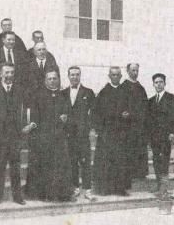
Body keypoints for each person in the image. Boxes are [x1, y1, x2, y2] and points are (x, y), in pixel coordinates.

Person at [23, 70, 72, 202]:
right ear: (45, 81)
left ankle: (61, 194)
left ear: (58, 79)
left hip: (59, 137)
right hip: (43, 137)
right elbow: (35, 117)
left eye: (54, 78)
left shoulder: (63, 96)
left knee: (60, 166)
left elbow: (69, 113)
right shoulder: (38, 96)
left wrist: (65, 118)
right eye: (49, 79)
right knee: (44, 165)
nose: (52, 81)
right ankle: (44, 194)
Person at [91, 66, 133, 196]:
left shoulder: (126, 92)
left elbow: (131, 109)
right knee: (105, 161)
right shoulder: (104, 92)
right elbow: (95, 113)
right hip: (107, 134)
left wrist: (128, 115)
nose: (115, 77)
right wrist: (99, 129)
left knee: (120, 161)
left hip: (121, 133)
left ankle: (120, 188)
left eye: (117, 75)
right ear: (109, 76)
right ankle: (104, 188)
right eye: (113, 75)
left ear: (121, 77)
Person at [0, 64, 26, 205]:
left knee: (16, 166)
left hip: (15, 133)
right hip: (0, 133)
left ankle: (18, 196)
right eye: (6, 72)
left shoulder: (19, 90)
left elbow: (22, 112)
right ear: (0, 74)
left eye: (11, 72)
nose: (9, 75)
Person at [62, 66, 96, 201]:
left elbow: (94, 112)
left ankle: (88, 189)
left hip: (82, 134)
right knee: (72, 161)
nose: (74, 77)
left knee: (85, 161)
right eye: (72, 75)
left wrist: (89, 127)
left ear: (80, 76)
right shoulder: (63, 93)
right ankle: (75, 187)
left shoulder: (88, 92)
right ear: (68, 76)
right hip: (69, 134)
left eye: (77, 74)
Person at [147, 73, 174, 198]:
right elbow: (148, 120)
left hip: (166, 136)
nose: (158, 84)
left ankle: (164, 188)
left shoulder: (172, 98)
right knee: (156, 160)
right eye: (156, 82)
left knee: (164, 160)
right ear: (153, 84)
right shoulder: (150, 101)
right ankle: (158, 184)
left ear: (164, 83)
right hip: (154, 137)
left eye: (161, 82)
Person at [122, 62, 150, 180]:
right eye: (133, 70)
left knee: (140, 148)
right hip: (128, 125)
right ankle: (129, 174)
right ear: (128, 71)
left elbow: (145, 106)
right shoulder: (123, 86)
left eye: (137, 70)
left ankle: (140, 173)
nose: (135, 73)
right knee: (129, 148)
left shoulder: (141, 88)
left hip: (139, 125)